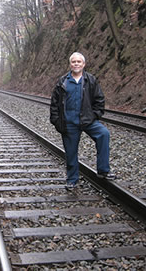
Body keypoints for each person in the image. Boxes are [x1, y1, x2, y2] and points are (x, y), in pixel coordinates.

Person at [50, 52, 115, 189]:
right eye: (74, 62)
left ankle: (103, 170)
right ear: (70, 64)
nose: (76, 64)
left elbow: (99, 100)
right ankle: (72, 179)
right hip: (69, 123)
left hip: (88, 120)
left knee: (104, 134)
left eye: (79, 62)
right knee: (71, 152)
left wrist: (94, 116)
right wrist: (56, 121)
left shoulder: (90, 80)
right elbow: (54, 103)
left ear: (84, 64)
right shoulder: (63, 82)